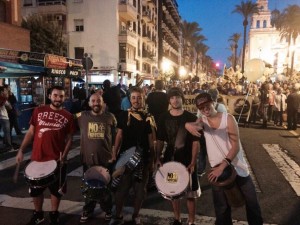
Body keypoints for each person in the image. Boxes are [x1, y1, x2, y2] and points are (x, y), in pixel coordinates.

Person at [193, 92, 263, 225]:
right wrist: (188, 125)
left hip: (237, 166)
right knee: (222, 207)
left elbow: (235, 146)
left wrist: (222, 166)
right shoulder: (202, 120)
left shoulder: (228, 119)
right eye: (201, 108)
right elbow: (195, 126)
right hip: (218, 170)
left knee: (252, 202)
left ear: (213, 103)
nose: (205, 109)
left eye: (207, 105)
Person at [16, 86, 75, 225]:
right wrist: (21, 150)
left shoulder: (68, 116)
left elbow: (70, 138)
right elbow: (30, 132)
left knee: (56, 191)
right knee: (36, 191)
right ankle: (38, 214)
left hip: (57, 160)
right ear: (50, 96)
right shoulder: (38, 110)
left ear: (64, 97)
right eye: (55, 95)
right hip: (37, 158)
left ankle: (54, 213)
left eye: (61, 96)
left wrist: (65, 156)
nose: (58, 99)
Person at [109, 86, 155, 225]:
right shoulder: (124, 115)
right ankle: (118, 215)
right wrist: (113, 154)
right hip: (125, 158)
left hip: (144, 159)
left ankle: (135, 215)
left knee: (140, 192)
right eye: (133, 98)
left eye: (139, 98)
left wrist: (153, 160)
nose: (136, 100)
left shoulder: (148, 117)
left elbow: (152, 141)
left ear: (143, 99)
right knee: (121, 189)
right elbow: (119, 135)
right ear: (129, 99)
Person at [156, 87, 201, 225]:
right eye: (172, 98)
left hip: (188, 160)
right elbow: (160, 140)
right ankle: (177, 219)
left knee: (190, 194)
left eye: (178, 97)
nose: (175, 100)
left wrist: (193, 161)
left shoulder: (191, 117)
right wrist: (157, 157)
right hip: (171, 159)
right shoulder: (163, 117)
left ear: (183, 98)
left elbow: (195, 142)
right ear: (169, 100)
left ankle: (191, 221)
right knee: (173, 191)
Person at [75, 93, 117, 223]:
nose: (96, 103)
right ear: (89, 103)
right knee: (89, 187)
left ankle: (107, 209)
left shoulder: (110, 117)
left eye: (98, 101)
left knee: (106, 188)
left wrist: (114, 154)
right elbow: (65, 120)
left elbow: (115, 138)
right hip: (88, 160)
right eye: (93, 101)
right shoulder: (81, 116)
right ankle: (88, 209)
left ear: (103, 102)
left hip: (106, 159)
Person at [0, 86, 13, 152]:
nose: (6, 91)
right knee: (7, 132)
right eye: (4, 90)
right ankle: (9, 146)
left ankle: (6, 144)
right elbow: (10, 107)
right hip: (4, 117)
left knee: (6, 132)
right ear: (1, 91)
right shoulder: (3, 98)